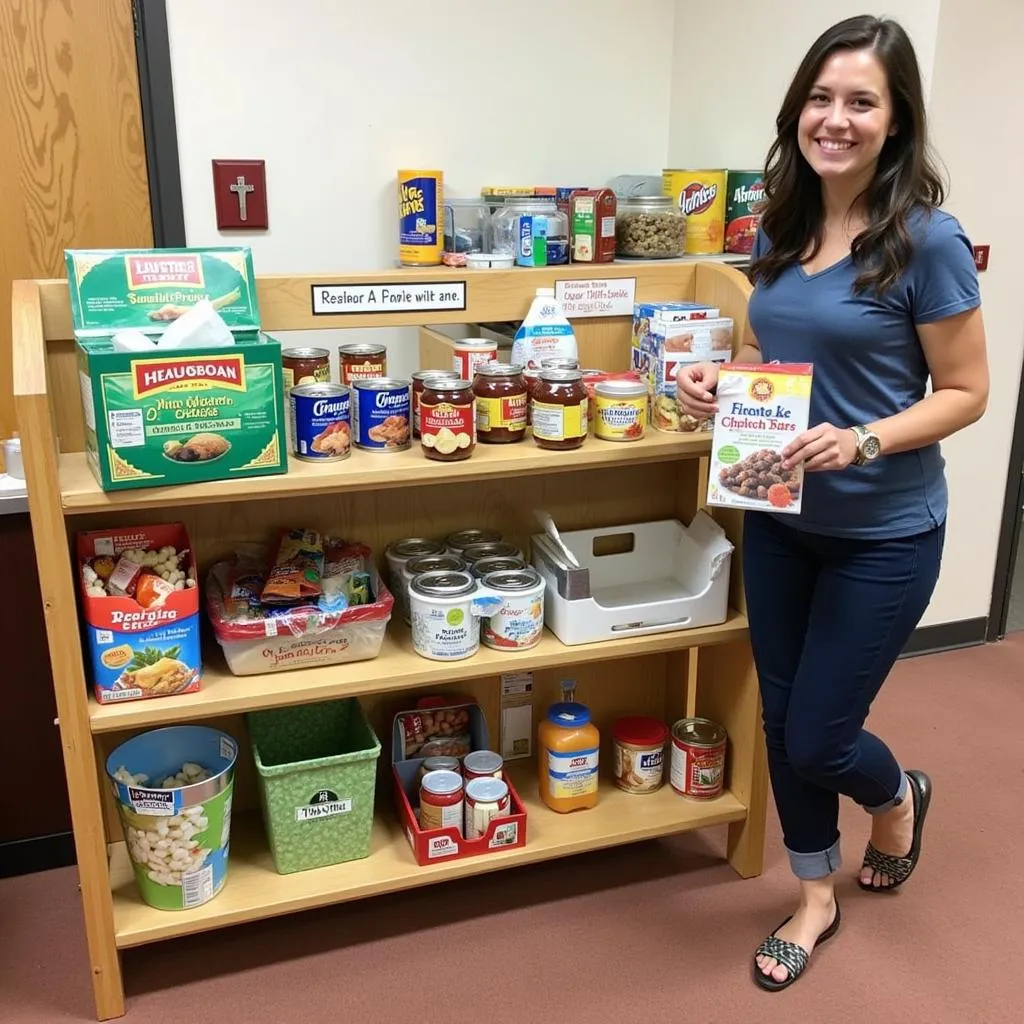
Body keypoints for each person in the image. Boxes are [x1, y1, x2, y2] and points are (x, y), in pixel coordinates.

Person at [677, 14, 988, 991]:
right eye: (821, 97)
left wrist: (862, 438)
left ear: (894, 123)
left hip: (882, 531)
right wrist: (724, 381)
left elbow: (967, 392)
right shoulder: (778, 223)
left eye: (861, 101)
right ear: (796, 110)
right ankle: (813, 894)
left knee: (818, 732)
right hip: (775, 511)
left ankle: (896, 797)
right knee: (779, 718)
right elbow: (789, 361)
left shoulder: (927, 241)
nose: (835, 118)